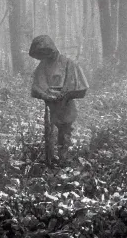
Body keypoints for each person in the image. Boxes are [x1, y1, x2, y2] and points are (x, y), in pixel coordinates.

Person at [29, 35, 89, 165]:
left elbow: (80, 87)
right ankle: (50, 160)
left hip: (65, 106)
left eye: (46, 51)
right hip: (50, 106)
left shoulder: (68, 63)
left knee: (64, 132)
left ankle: (63, 159)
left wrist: (64, 95)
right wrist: (46, 95)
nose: (44, 55)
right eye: (41, 53)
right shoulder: (42, 66)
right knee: (49, 133)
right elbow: (36, 86)